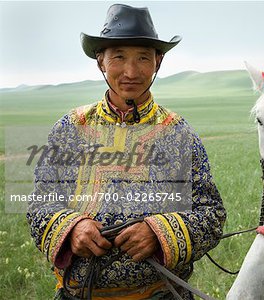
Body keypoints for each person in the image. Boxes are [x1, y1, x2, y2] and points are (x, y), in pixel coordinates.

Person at [26, 4, 226, 299]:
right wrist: (72, 229)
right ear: (101, 62)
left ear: (157, 62)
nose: (131, 72)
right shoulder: (70, 129)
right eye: (118, 57)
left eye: (143, 58)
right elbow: (40, 206)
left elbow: (211, 215)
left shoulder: (179, 134)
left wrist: (159, 233)